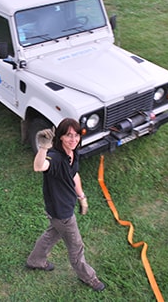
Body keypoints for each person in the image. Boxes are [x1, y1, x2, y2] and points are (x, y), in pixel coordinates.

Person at [26, 118, 105, 292]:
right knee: (76, 247)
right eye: (68, 135)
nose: (73, 139)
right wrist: (44, 148)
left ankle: (35, 260)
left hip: (65, 206)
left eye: (76, 135)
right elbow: (39, 166)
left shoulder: (73, 152)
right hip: (61, 212)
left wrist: (81, 196)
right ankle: (89, 277)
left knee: (53, 234)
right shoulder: (55, 157)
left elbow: (74, 175)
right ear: (60, 137)